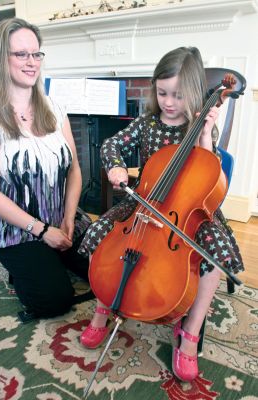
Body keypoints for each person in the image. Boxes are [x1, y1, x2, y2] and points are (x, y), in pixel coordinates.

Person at [78, 47, 244, 381]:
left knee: (214, 256)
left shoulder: (200, 129)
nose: (168, 102)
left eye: (178, 96)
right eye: (162, 92)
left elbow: (208, 171)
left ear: (195, 92)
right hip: (143, 204)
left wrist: (204, 134)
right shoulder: (146, 123)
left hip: (189, 211)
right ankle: (102, 309)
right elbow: (111, 145)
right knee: (103, 235)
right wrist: (115, 167)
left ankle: (190, 333)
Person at [0, 17, 93, 320]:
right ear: (0, 58)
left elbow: (74, 169)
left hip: (60, 216)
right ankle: (35, 263)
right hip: (17, 230)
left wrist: (69, 217)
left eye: (36, 54)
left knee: (112, 271)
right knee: (53, 302)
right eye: (21, 54)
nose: (31, 62)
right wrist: (43, 231)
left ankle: (52, 258)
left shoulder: (53, 108)